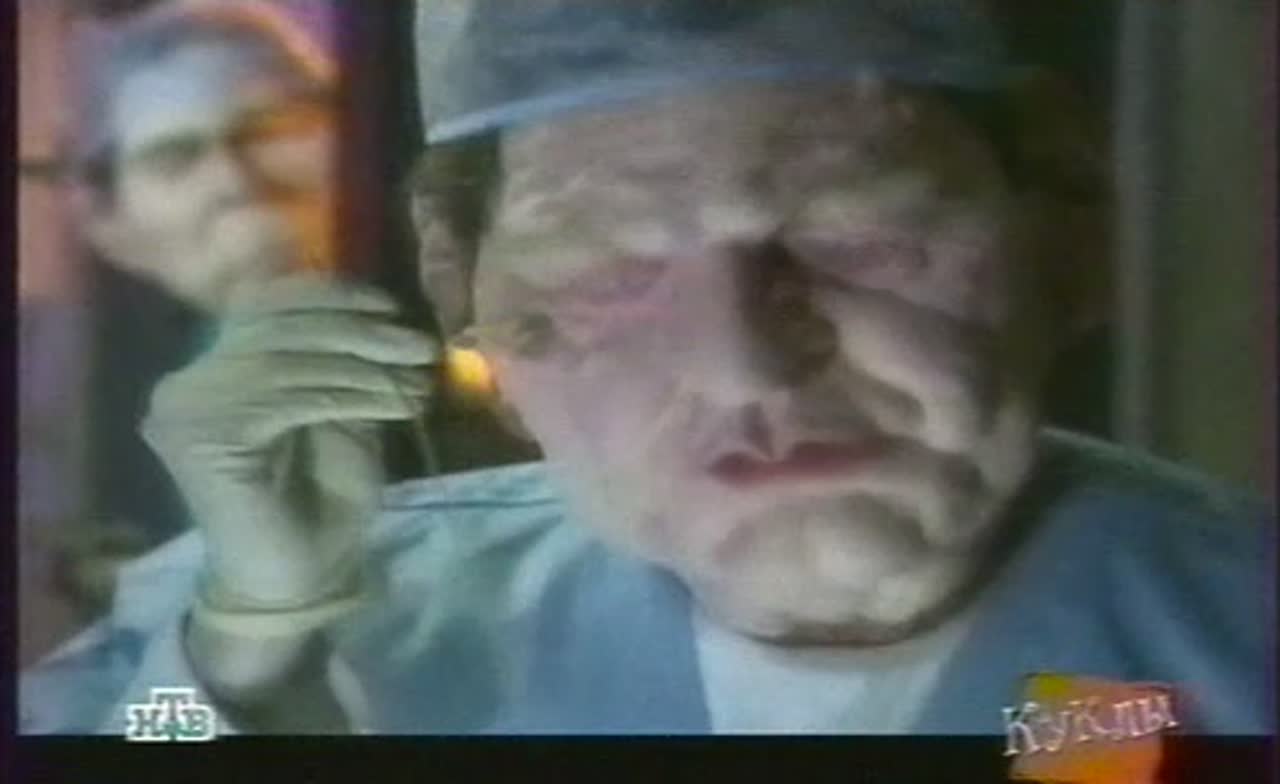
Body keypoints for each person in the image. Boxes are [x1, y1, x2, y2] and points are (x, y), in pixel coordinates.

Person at [21, 0, 1272, 736]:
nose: (742, 363)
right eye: (609, 264)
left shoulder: (1230, 638)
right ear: (470, 299)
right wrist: (241, 653)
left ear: (1063, 236)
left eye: (850, 231)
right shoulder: (354, 618)